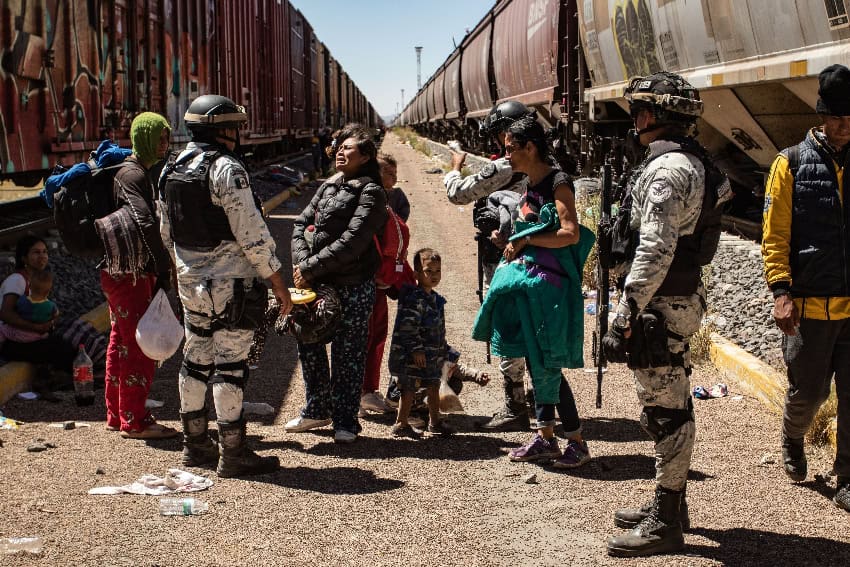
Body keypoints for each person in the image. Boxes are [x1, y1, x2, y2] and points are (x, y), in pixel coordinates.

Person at [601, 72, 729, 557]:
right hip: (670, 300)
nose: (634, 121)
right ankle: (672, 503)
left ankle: (666, 519)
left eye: (638, 111)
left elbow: (655, 248)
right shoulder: (685, 162)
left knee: (666, 409)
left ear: (654, 115)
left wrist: (627, 309)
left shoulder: (668, 170)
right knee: (667, 401)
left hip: (660, 303)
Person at [159, 94, 293, 477]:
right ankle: (233, 454)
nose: (237, 134)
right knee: (230, 366)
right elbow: (251, 233)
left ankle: (195, 444)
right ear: (221, 130)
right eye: (233, 126)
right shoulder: (227, 169)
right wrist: (277, 282)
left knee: (195, 358)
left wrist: (178, 266)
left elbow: (165, 228)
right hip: (231, 283)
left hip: (190, 280)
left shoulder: (172, 167)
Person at [472, 116, 593, 468]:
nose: (505, 155)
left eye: (511, 149)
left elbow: (569, 233)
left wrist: (524, 239)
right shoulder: (530, 182)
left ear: (530, 147)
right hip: (531, 284)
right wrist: (506, 240)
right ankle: (545, 438)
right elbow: (533, 231)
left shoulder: (558, 183)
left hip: (551, 288)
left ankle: (577, 443)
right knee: (536, 360)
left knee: (548, 362)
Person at [762, 64, 850, 513]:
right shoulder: (790, 163)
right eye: (837, 118)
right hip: (810, 307)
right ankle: (793, 436)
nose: (845, 127)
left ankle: (847, 474)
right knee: (808, 392)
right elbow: (775, 234)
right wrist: (781, 291)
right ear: (820, 116)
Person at [287, 124, 388, 443]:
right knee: (309, 344)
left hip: (353, 285)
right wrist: (304, 263)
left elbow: (353, 241)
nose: (341, 152)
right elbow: (301, 224)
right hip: (316, 283)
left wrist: (309, 268)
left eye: (350, 149)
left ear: (367, 156)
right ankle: (317, 410)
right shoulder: (328, 185)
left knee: (349, 352)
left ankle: (345, 420)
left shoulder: (371, 191)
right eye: (340, 148)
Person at [444, 100, 534, 431]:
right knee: (536, 329)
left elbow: (458, 194)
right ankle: (542, 401)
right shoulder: (548, 163)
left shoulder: (504, 167)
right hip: (538, 259)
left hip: (504, 258)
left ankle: (515, 406)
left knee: (508, 329)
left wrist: (454, 168)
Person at [96, 111, 177, 439]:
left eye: (166, 137)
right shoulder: (132, 175)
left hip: (118, 272)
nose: (164, 144)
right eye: (159, 137)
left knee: (121, 342)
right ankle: (135, 420)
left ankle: (118, 414)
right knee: (139, 346)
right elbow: (143, 220)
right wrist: (163, 266)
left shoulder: (132, 171)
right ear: (142, 136)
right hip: (129, 275)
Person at [388, 248, 459, 437]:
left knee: (433, 385)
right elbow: (408, 328)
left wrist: (443, 349)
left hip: (432, 355)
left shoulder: (435, 299)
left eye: (437, 271)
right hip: (413, 356)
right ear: (417, 274)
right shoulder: (414, 299)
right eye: (429, 271)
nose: (434, 275)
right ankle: (401, 422)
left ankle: (435, 422)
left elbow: (438, 329)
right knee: (408, 388)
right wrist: (416, 350)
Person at [360, 153, 411, 416]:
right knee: (369, 337)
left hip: (378, 283)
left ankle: (366, 391)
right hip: (371, 282)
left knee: (375, 337)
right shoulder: (372, 201)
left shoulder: (383, 200)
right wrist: (380, 274)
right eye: (389, 173)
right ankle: (364, 393)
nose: (395, 178)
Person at [0, 236, 76, 397]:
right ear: (24, 258)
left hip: (30, 336)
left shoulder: (37, 279)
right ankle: (63, 377)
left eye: (44, 252)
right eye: (36, 252)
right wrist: (36, 327)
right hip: (12, 341)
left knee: (74, 329)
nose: (42, 256)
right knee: (60, 346)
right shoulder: (17, 280)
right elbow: (6, 314)